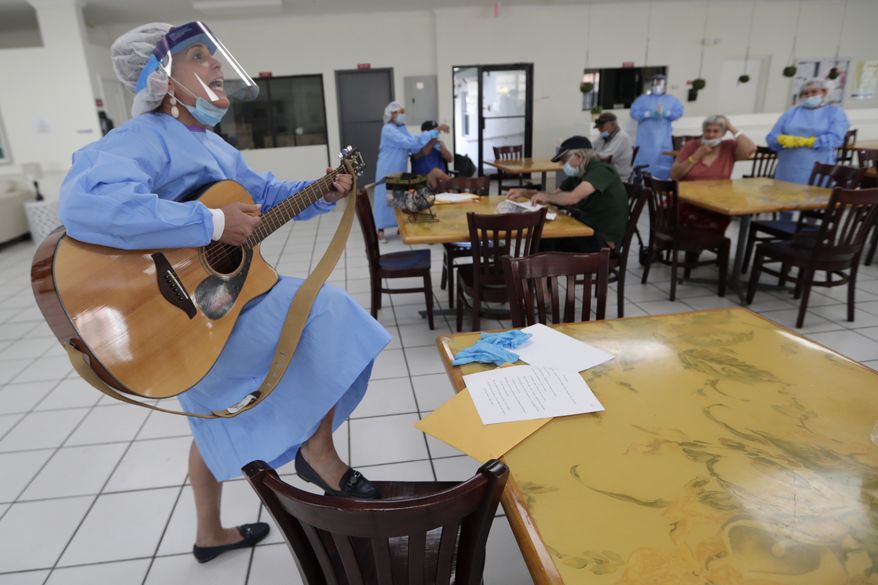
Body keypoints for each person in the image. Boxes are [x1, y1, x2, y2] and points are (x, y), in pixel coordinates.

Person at [58, 21, 391, 563]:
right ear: (162, 80)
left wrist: (320, 191)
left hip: (224, 303)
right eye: (199, 56)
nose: (215, 67)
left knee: (221, 412)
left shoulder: (210, 144)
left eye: (214, 57)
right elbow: (86, 205)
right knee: (328, 313)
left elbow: (260, 198)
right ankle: (316, 449)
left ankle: (211, 532)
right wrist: (209, 224)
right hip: (179, 314)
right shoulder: (137, 140)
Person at [506, 136, 628, 253]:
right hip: (587, 230)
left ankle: (539, 271)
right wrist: (525, 192)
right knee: (543, 237)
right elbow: (553, 195)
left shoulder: (601, 170)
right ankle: (539, 271)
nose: (563, 165)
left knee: (546, 238)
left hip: (603, 241)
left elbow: (572, 198)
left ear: (579, 156)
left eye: (564, 160)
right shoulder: (579, 174)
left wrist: (547, 197)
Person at [374, 103, 449, 240]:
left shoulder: (402, 128)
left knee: (398, 197)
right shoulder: (387, 129)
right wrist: (434, 131)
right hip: (387, 167)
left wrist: (432, 143)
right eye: (399, 112)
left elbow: (414, 147)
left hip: (400, 168)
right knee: (384, 197)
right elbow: (409, 143)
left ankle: (398, 226)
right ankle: (380, 230)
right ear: (391, 114)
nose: (403, 115)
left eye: (403, 112)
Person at [670, 115, 757, 234]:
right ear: (703, 132)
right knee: (691, 216)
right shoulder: (691, 146)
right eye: (708, 131)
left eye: (716, 131)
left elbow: (751, 149)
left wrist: (732, 128)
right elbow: (674, 175)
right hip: (687, 201)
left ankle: (704, 244)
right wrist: (696, 155)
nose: (711, 135)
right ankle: (693, 246)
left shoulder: (729, 147)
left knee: (720, 215)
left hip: (715, 202)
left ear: (723, 133)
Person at [767, 78, 850, 185]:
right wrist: (780, 139)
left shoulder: (835, 113)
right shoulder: (791, 113)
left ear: (824, 92)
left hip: (818, 168)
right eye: (805, 93)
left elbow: (835, 139)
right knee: (783, 197)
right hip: (787, 168)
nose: (809, 95)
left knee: (815, 198)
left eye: (814, 92)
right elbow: (771, 138)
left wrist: (809, 142)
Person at [630, 74, 684, 179]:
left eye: (660, 83)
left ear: (665, 85)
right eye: (656, 83)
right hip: (646, 138)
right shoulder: (643, 99)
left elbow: (679, 112)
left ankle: (661, 185)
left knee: (663, 160)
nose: (658, 85)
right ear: (651, 84)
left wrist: (667, 113)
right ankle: (641, 181)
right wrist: (647, 114)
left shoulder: (672, 100)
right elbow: (633, 113)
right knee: (644, 162)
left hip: (663, 138)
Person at [411, 120, 453, 190]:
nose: (434, 135)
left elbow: (450, 159)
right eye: (432, 132)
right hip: (423, 178)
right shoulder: (417, 144)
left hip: (441, 178)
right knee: (435, 172)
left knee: (437, 173)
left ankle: (452, 187)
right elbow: (421, 154)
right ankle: (454, 184)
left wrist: (443, 150)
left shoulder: (439, 144)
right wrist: (431, 143)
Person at [592, 112, 634, 179]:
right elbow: (592, 146)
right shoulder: (604, 135)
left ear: (613, 125)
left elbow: (606, 157)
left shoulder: (622, 137)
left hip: (618, 176)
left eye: (602, 127)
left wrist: (590, 154)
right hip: (606, 172)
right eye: (599, 127)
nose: (600, 130)